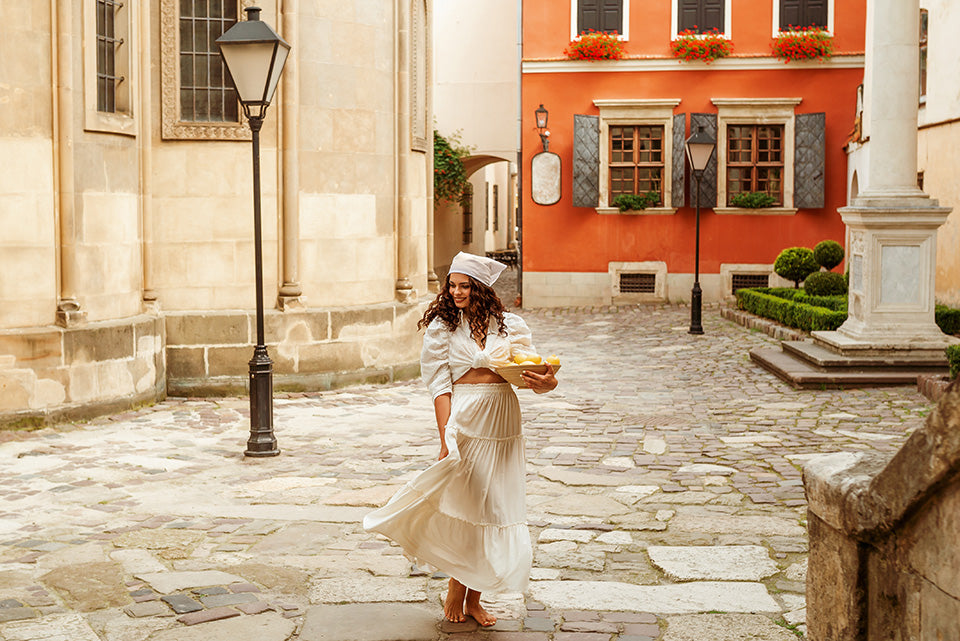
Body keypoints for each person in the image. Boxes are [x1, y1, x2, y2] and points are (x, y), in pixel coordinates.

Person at [363, 252, 558, 626]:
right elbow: (439, 385)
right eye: (452, 285)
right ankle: (457, 588)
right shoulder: (443, 327)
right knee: (468, 506)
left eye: (464, 286)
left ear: (480, 288)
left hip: (503, 423)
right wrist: (444, 437)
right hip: (466, 421)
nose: (455, 292)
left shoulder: (510, 326)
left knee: (495, 508)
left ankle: (475, 599)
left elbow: (532, 376)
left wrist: (549, 382)